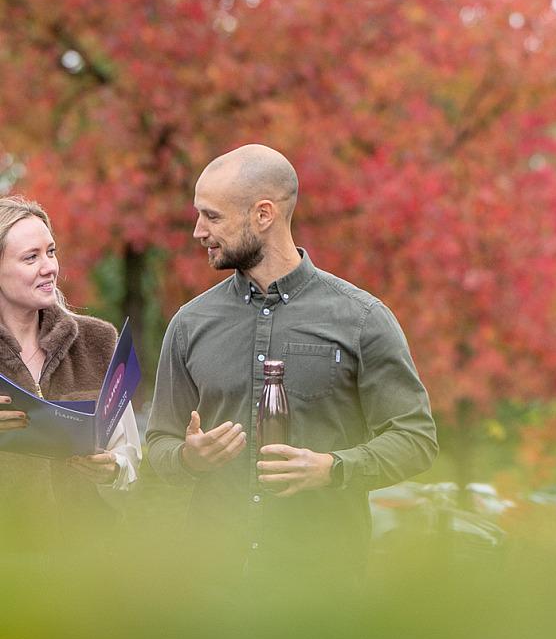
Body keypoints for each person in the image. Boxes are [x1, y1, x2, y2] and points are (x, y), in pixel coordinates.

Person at [146, 144, 438, 574]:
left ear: (264, 215)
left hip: (322, 590)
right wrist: (189, 458)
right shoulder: (190, 324)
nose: (197, 231)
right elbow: (158, 442)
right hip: (209, 588)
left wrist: (332, 468)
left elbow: (417, 439)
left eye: (212, 216)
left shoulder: (362, 319)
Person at [0, 196, 141, 542]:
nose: (49, 267)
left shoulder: (99, 342)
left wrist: (112, 470)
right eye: (31, 257)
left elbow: (130, 459)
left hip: (87, 568)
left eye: (51, 251)